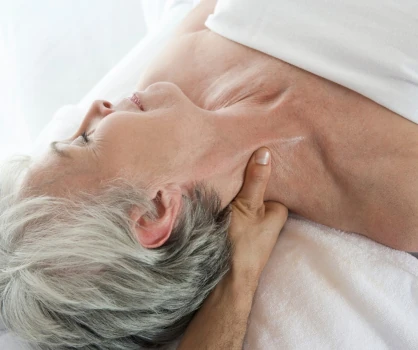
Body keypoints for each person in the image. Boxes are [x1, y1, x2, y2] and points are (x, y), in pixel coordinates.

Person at [0, 0, 417, 348]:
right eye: (86, 141)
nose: (96, 108)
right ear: (155, 211)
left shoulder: (174, 69)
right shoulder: (400, 193)